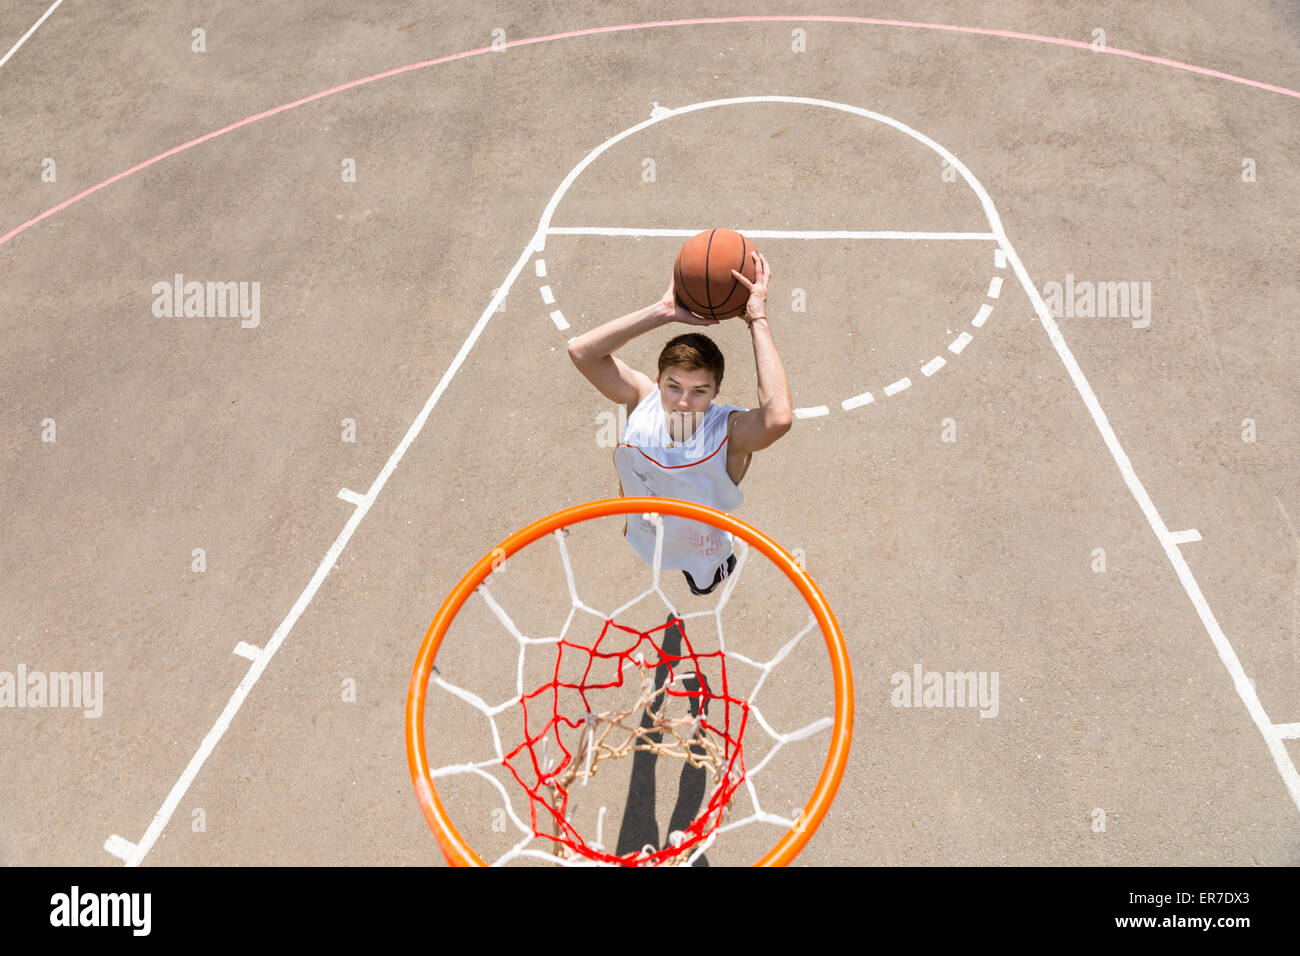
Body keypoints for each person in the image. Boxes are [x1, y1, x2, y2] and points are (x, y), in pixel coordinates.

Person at [567, 251, 792, 595]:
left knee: (701, 585)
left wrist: (757, 319)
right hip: (647, 527)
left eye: (699, 391)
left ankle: (716, 570)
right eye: (674, 387)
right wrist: (662, 312)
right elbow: (581, 352)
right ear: (657, 380)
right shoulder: (644, 399)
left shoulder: (726, 433)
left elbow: (777, 418)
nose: (684, 402)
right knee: (654, 552)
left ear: (717, 390)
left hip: (700, 544)